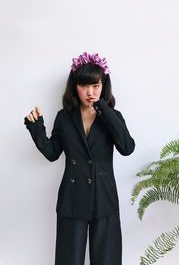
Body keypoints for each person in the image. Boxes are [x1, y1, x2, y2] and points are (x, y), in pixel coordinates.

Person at [24, 52, 135, 265]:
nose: (90, 92)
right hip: (72, 197)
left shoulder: (113, 116)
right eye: (84, 85)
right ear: (75, 86)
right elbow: (52, 153)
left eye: (95, 86)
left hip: (104, 198)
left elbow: (127, 147)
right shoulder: (64, 117)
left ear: (104, 86)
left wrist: (102, 107)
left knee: (107, 260)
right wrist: (36, 127)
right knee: (69, 259)